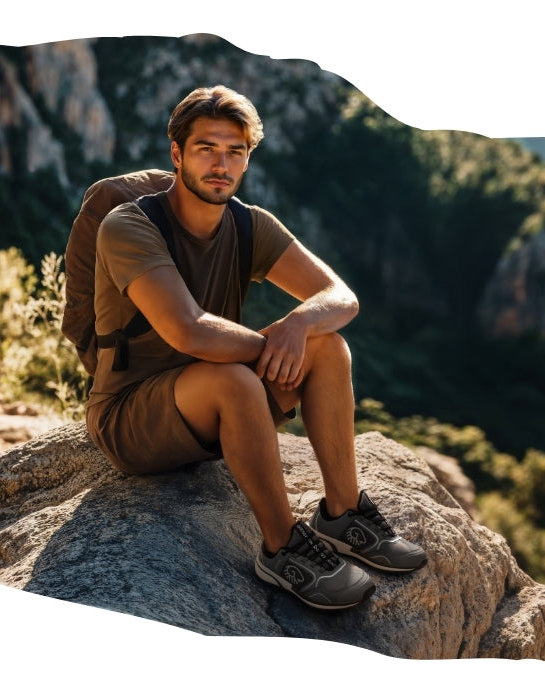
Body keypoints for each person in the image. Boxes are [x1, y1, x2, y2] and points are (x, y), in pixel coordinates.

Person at [85, 85, 427, 611]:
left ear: (247, 159)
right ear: (177, 154)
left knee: (327, 347)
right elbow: (189, 330)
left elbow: (342, 297)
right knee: (237, 378)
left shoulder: (248, 224)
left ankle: (342, 513)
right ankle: (282, 545)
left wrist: (297, 324)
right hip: (133, 419)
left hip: (214, 405)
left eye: (235, 151)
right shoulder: (131, 226)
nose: (221, 164)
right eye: (206, 149)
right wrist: (272, 350)